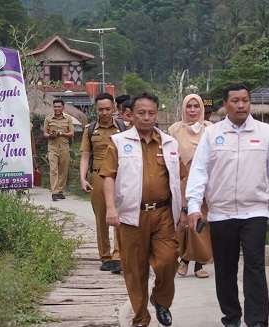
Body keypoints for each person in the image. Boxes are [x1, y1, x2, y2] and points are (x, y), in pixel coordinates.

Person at [185, 83, 269, 327]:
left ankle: (256, 321)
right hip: (220, 213)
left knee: (254, 267)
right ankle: (231, 318)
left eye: (245, 100)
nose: (241, 104)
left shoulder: (265, 133)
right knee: (225, 270)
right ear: (226, 105)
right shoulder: (212, 135)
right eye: (235, 100)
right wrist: (193, 206)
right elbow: (199, 171)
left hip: (255, 211)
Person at [100, 92, 183, 327]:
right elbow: (108, 176)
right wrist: (110, 208)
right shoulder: (119, 142)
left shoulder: (169, 143)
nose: (146, 118)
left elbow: (182, 177)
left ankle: (160, 298)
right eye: (141, 113)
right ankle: (140, 318)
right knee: (135, 270)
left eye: (151, 113)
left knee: (168, 260)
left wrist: (187, 208)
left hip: (163, 214)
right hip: (130, 215)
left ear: (156, 114)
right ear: (131, 115)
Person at [168, 94, 213, 279]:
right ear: (184, 108)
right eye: (189, 106)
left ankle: (196, 264)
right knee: (184, 222)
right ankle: (185, 260)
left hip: (206, 182)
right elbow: (170, 155)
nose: (192, 110)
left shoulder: (210, 129)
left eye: (196, 106)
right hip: (182, 180)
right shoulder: (174, 129)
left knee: (202, 222)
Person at [80, 93, 125, 273]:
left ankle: (118, 256)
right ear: (96, 109)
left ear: (113, 109)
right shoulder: (90, 130)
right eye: (101, 109)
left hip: (120, 177)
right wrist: (83, 178)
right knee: (101, 218)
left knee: (119, 217)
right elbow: (85, 156)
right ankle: (105, 257)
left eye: (108, 109)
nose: (104, 113)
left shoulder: (123, 128)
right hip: (98, 177)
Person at [43, 99, 74, 201]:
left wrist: (61, 133)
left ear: (63, 107)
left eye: (59, 107)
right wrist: (51, 135)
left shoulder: (68, 119)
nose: (57, 109)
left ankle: (60, 190)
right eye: (55, 107)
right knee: (53, 170)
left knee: (63, 170)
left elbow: (71, 133)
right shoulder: (48, 119)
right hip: (52, 148)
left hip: (64, 148)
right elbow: (45, 133)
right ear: (53, 107)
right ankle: (54, 192)